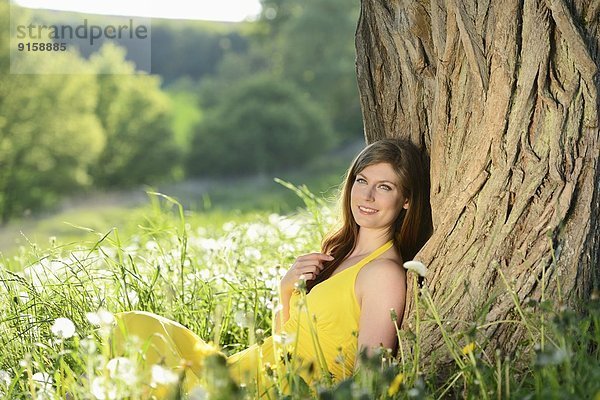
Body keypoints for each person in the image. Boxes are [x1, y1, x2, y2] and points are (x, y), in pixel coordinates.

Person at [111, 138, 432, 396]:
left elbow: (368, 378)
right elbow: (287, 339)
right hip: (253, 367)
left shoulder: (383, 275)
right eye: (362, 181)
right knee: (134, 326)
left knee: (152, 373)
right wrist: (286, 291)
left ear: (406, 200)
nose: (368, 195)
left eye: (385, 187)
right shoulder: (339, 254)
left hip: (276, 389)